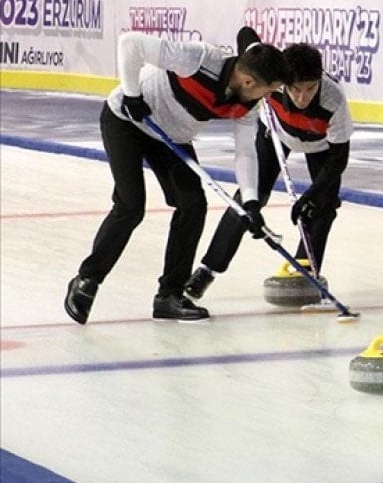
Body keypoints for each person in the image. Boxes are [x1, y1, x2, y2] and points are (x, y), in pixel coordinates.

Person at [64, 32, 292, 324]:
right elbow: (130, 43)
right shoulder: (199, 58)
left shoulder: (247, 106)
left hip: (170, 138)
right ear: (248, 81)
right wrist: (132, 95)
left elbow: (245, 153)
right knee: (130, 205)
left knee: (192, 205)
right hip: (127, 120)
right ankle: (87, 279)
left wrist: (250, 203)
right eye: (269, 90)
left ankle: (169, 296)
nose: (269, 97)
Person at [184, 39, 352, 302]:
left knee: (323, 204)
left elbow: (338, 160)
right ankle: (207, 270)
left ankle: (304, 269)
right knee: (249, 198)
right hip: (275, 134)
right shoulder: (272, 81)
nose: (302, 98)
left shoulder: (334, 99)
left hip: (320, 145)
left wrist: (310, 197)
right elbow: (245, 37)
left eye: (310, 89)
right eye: (295, 89)